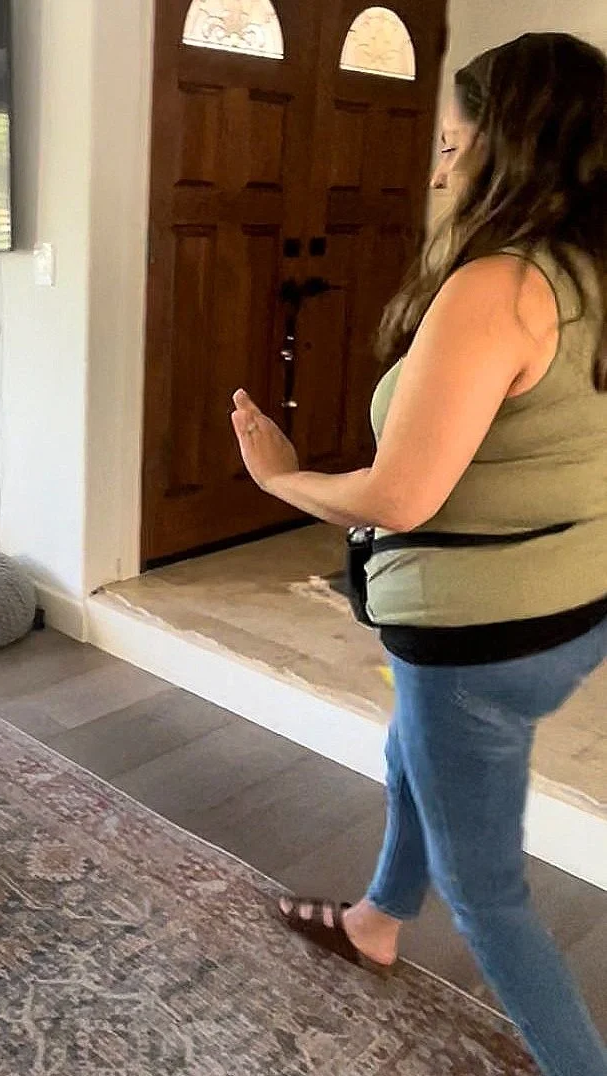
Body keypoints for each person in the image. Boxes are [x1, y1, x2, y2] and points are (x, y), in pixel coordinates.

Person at [230, 32, 607, 1076]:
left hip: (479, 637)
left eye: (449, 145)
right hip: (575, 610)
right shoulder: (593, 268)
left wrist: (280, 478)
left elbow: (399, 494)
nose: (438, 171)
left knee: (487, 892)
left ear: (505, 146)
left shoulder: (499, 285)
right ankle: (376, 919)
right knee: (412, 750)